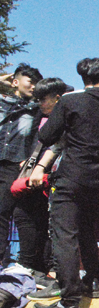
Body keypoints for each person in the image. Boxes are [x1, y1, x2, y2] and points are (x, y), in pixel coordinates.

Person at [33, 57, 99, 308]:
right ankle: (92, 283)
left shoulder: (70, 101)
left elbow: (46, 136)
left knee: (64, 235)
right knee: (87, 231)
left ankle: (69, 301)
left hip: (72, 179)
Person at [12, 78, 71, 295]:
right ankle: (39, 267)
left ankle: (40, 267)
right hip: (40, 177)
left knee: (46, 222)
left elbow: (57, 145)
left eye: (43, 99)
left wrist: (41, 166)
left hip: (55, 176)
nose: (40, 103)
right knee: (34, 218)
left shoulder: (66, 116)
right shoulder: (41, 115)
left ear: (57, 97)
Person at [0, 63, 42, 268]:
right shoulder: (2, 102)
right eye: (30, 81)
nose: (33, 86)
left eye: (36, 83)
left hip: (13, 165)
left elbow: (35, 138)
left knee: (3, 210)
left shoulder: (35, 109)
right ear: (15, 82)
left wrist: (29, 160)